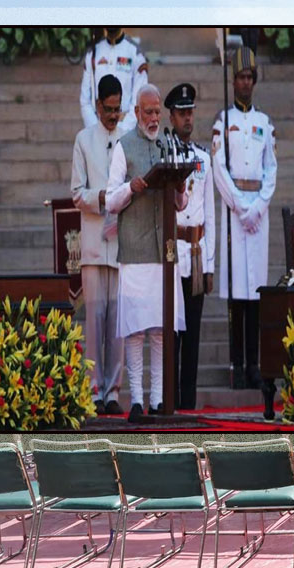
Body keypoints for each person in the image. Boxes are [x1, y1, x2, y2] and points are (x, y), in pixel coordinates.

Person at [106, 84, 187, 422]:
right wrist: (132, 187)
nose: (154, 117)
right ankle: (136, 400)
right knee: (137, 329)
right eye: (148, 111)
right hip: (136, 248)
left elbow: (180, 204)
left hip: (164, 250)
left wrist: (181, 188)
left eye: (157, 112)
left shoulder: (170, 144)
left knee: (159, 329)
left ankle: (158, 399)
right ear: (137, 113)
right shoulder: (124, 146)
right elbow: (110, 200)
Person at [212, 47, 277, 389]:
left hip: (259, 213)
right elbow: (218, 168)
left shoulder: (264, 123)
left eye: (250, 77)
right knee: (238, 293)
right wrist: (240, 205)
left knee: (256, 293)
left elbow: (272, 167)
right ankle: (238, 363)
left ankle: (256, 363)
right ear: (233, 80)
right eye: (240, 77)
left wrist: (259, 205)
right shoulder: (224, 122)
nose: (245, 83)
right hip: (235, 209)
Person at [71, 73, 127, 415]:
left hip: (121, 244)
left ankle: (114, 391)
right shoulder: (83, 139)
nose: (112, 116)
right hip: (93, 243)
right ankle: (93, 389)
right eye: (108, 109)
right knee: (95, 320)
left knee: (118, 324)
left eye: (118, 109)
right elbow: (77, 192)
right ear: (97, 106)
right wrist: (103, 197)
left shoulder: (127, 139)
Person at [166, 82, 216, 410]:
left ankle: (189, 402)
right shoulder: (163, 153)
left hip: (196, 251)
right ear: (171, 116)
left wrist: (210, 264)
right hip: (172, 249)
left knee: (194, 332)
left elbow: (209, 211)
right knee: (172, 333)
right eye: (181, 113)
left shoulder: (203, 158)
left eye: (190, 112)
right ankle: (169, 400)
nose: (187, 118)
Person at [80, 27, 148, 134]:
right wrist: (96, 130)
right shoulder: (93, 52)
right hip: (97, 128)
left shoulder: (135, 52)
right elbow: (85, 100)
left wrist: (122, 130)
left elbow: (139, 100)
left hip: (126, 130)